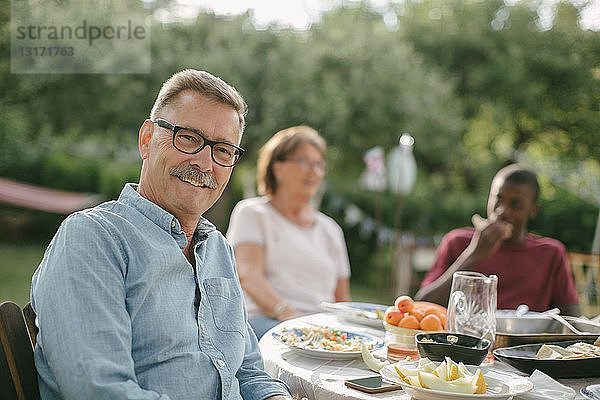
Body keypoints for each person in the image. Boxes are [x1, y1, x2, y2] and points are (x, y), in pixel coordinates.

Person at [30, 69, 292, 400]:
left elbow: (248, 370)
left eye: (223, 150)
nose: (205, 163)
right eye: (188, 138)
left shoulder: (218, 250)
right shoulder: (94, 239)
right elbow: (101, 391)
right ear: (146, 139)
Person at [226, 126, 352, 338]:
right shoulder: (252, 213)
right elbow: (249, 275)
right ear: (277, 168)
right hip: (266, 323)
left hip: (321, 330)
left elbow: (342, 298)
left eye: (319, 164)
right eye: (304, 161)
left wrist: (348, 332)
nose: (314, 171)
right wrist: (290, 316)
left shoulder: (330, 229)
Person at [415, 163, 580, 316]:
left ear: (533, 210)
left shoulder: (550, 253)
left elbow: (572, 317)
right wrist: (473, 255)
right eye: (498, 200)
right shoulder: (457, 241)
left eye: (515, 205)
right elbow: (421, 307)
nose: (502, 211)